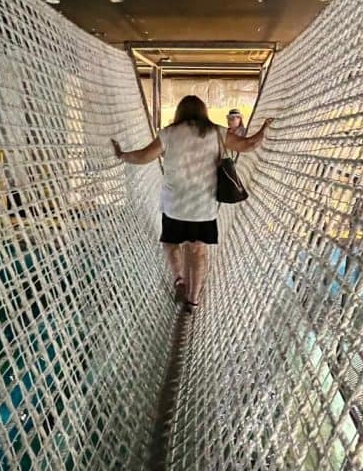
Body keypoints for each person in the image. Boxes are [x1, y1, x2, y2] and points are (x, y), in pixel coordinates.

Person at [112, 95, 272, 313]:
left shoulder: (169, 133)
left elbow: (143, 156)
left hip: (175, 206)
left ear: (180, 112)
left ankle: (179, 279)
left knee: (171, 244)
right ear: (203, 111)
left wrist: (122, 154)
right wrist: (264, 128)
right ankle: (193, 300)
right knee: (198, 250)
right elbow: (249, 144)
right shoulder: (217, 132)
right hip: (203, 207)